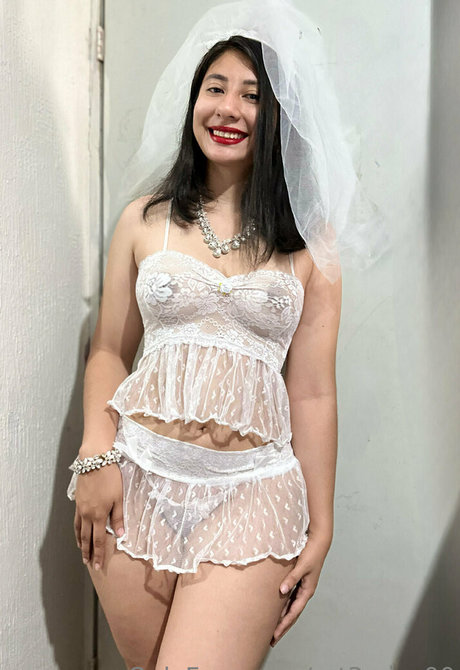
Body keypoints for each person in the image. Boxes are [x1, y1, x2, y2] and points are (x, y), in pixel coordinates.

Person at [67, 2, 388, 668]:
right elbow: (108, 352)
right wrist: (97, 456)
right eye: (215, 88)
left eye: (252, 96)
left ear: (279, 119)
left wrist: (323, 526)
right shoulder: (143, 220)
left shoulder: (311, 248)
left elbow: (313, 394)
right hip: (135, 482)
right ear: (194, 102)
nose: (229, 109)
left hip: (252, 495)